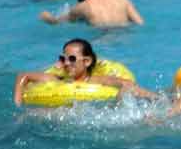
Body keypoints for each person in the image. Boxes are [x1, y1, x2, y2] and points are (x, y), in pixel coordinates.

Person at [13, 39, 155, 106]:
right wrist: (17, 105)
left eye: (72, 59)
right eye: (63, 58)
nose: (67, 63)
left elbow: (128, 84)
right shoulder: (57, 79)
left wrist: (115, 107)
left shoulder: (96, 81)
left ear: (86, 61)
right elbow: (23, 76)